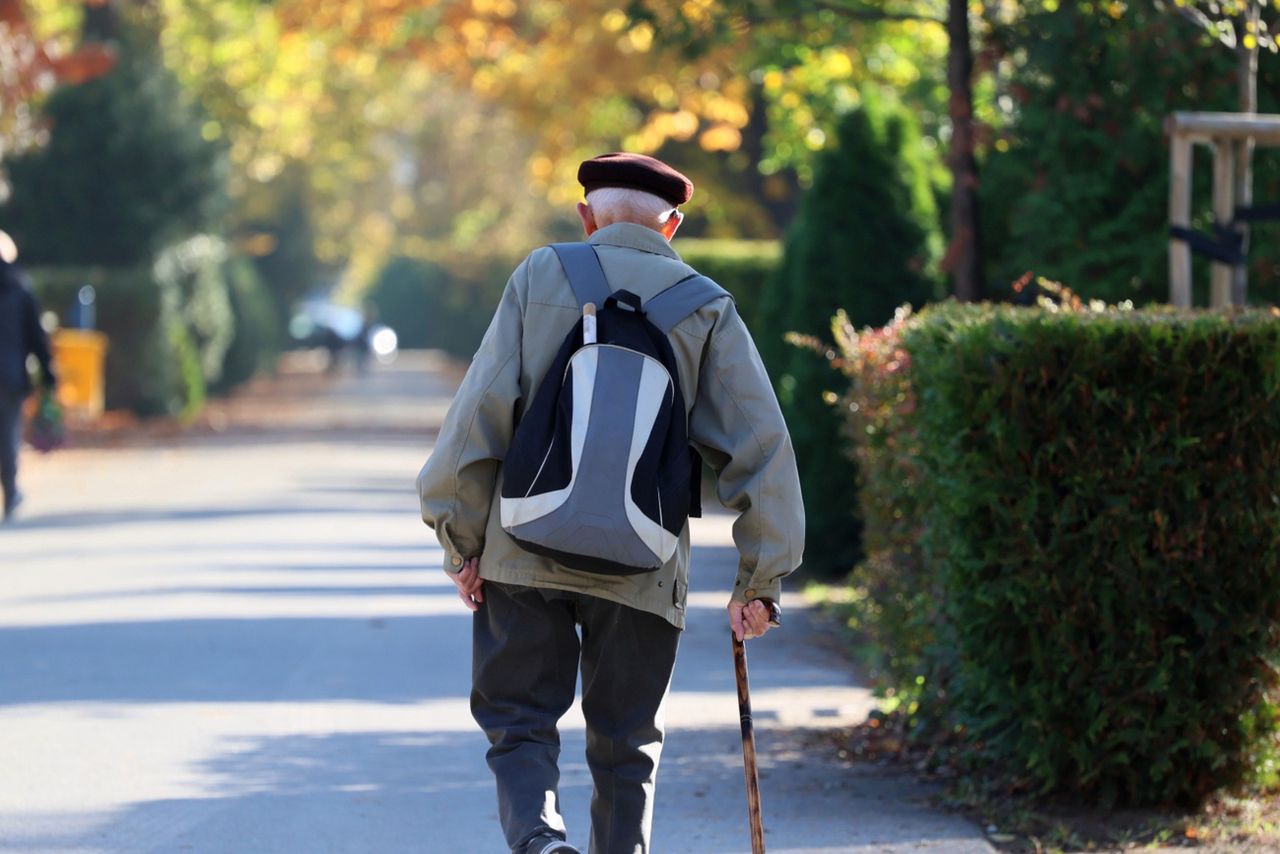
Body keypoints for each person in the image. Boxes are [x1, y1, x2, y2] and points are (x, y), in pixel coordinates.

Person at [416, 153, 804, 854]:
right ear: (673, 226)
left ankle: (539, 838)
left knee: (519, 718)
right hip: (644, 563)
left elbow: (478, 413)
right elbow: (761, 444)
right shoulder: (706, 305)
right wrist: (761, 579)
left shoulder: (541, 275)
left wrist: (461, 540)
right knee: (627, 744)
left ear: (586, 217)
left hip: (523, 547)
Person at [0, 230, 57, 521]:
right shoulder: (19, 288)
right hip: (9, 376)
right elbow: (37, 336)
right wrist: (48, 373)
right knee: (7, 435)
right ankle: (10, 493)